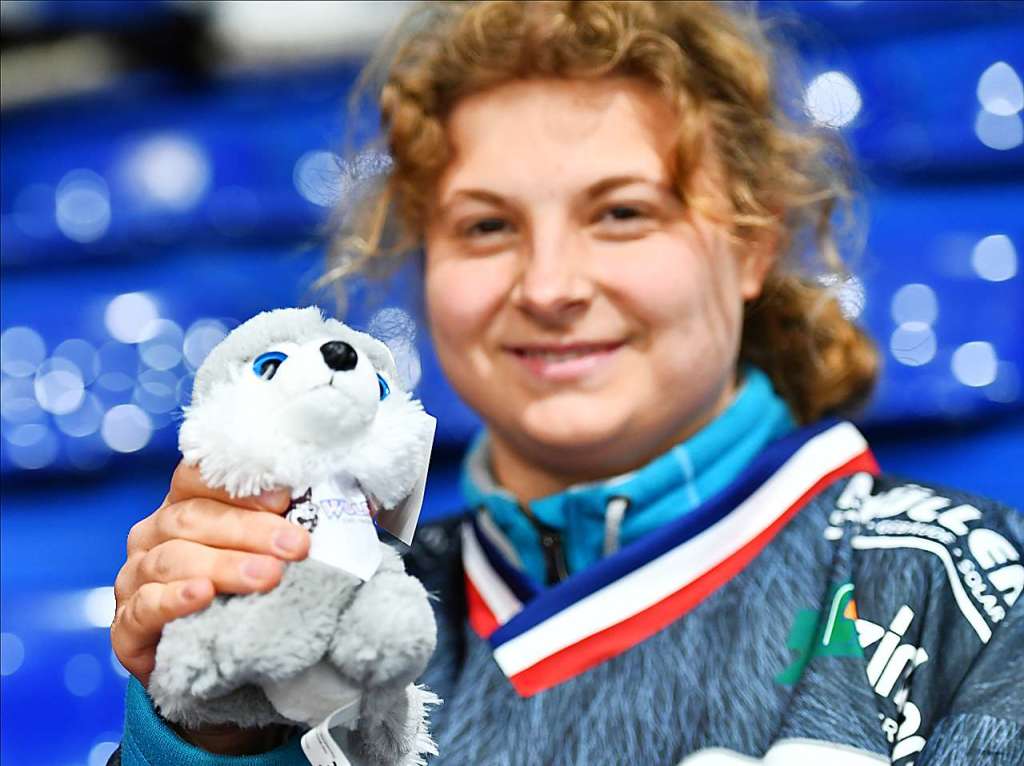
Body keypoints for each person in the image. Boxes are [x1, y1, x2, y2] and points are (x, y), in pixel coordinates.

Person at [106, 2, 1023, 764]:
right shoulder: (341, 607)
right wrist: (214, 732)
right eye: (486, 227)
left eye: (622, 214)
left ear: (753, 243)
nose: (548, 288)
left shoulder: (971, 587)